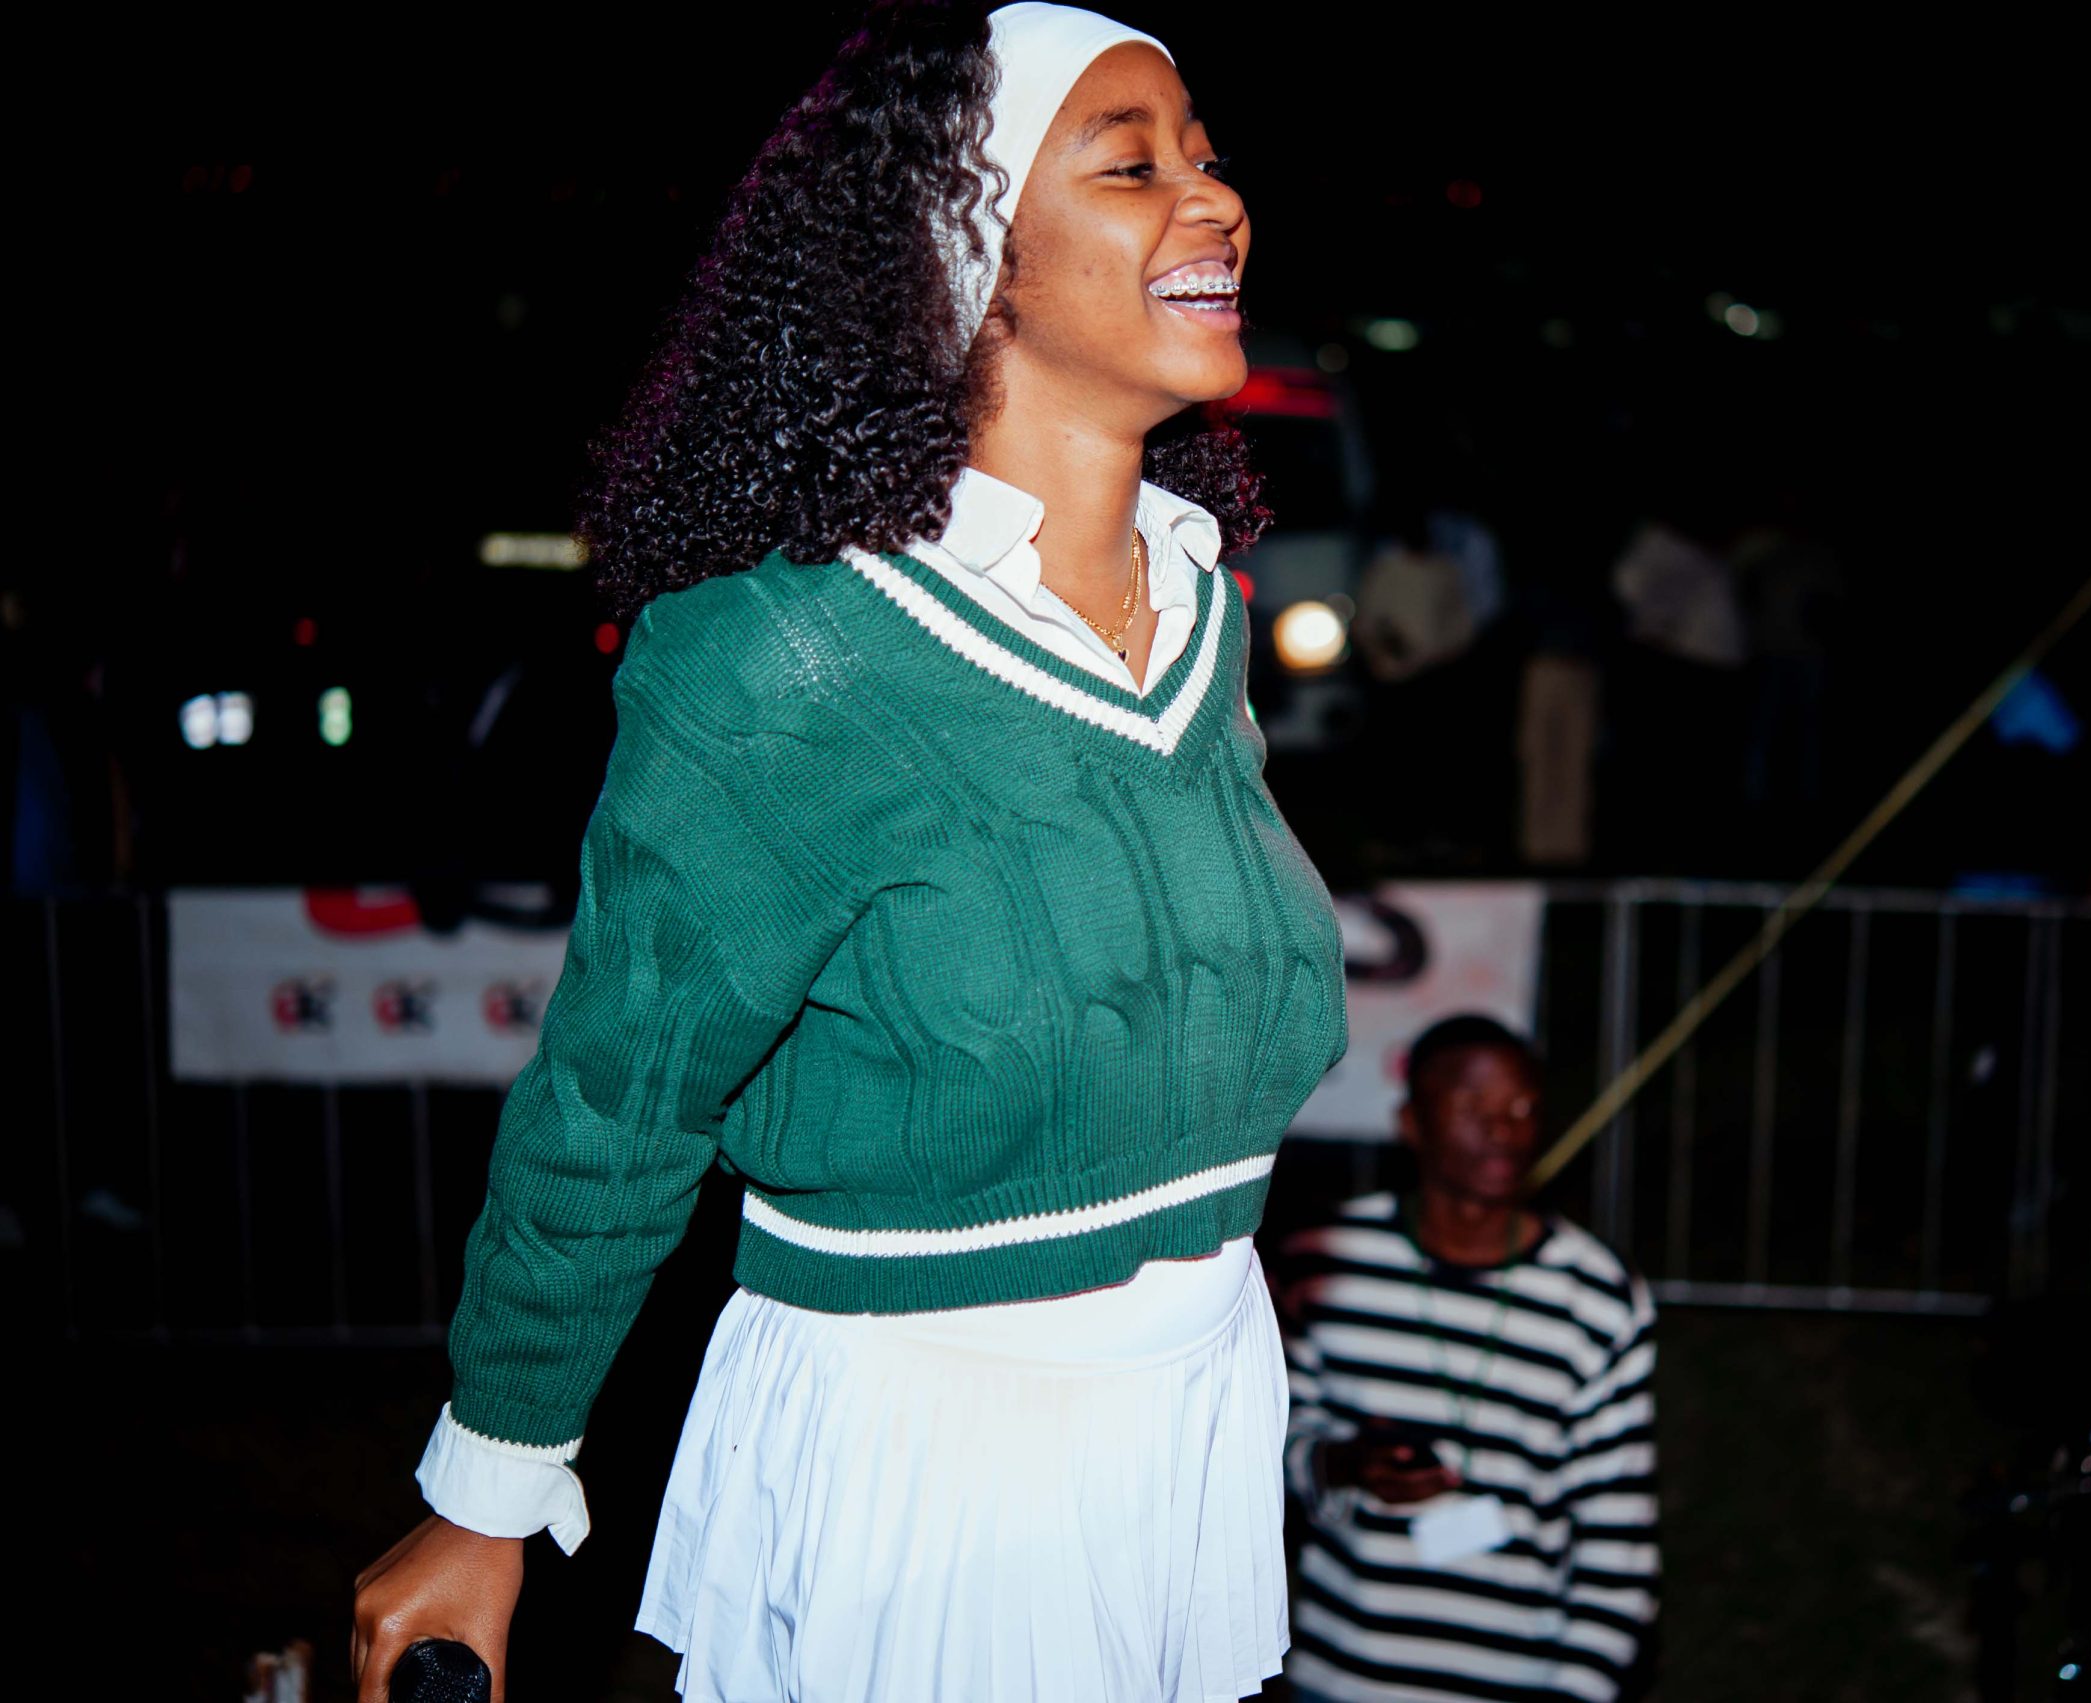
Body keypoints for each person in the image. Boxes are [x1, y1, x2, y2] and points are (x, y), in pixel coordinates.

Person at [348, 6, 1349, 1700]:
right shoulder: (788, 658)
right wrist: (487, 1489)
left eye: (1207, 156)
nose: (1215, 201)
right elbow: (617, 1101)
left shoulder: (1200, 613)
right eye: (1131, 166)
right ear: (963, 249)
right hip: (941, 1454)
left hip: (1202, 1403)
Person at [1277, 1015, 1660, 1702]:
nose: (1504, 1129)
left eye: (1523, 1107)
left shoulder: (1598, 1296)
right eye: (1472, 1105)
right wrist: (1346, 1462)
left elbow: (1618, 1541)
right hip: (1344, 1674)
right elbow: (1271, 1453)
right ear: (1411, 1123)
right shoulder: (1327, 1260)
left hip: (1519, 1681)